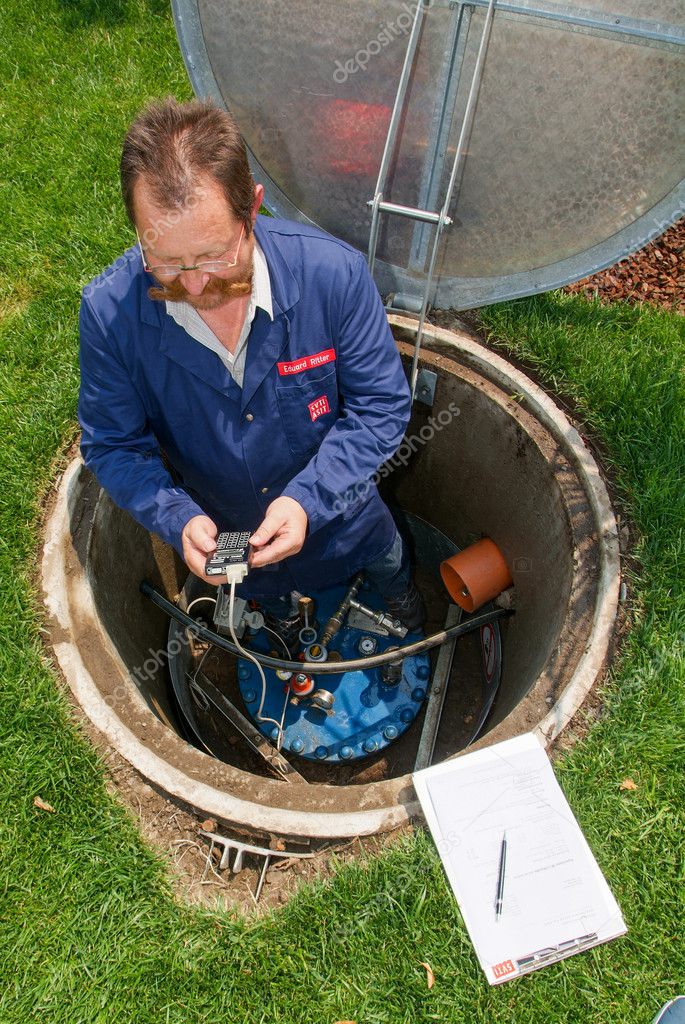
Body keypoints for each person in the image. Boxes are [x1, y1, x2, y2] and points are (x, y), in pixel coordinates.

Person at [78, 97, 425, 630]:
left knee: (389, 566)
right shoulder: (109, 315)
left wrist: (309, 501)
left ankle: (402, 599)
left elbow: (380, 406)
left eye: (214, 256)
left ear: (253, 209)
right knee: (277, 612)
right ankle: (282, 623)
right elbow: (114, 445)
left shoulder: (334, 277)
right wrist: (177, 517)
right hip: (239, 547)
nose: (195, 286)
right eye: (165, 261)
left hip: (349, 522)